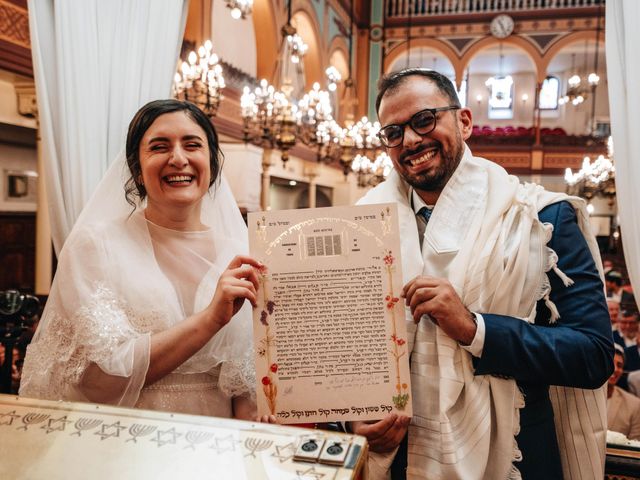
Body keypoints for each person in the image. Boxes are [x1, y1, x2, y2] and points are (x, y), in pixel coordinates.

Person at [355, 68, 613, 479]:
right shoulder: (361, 227)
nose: (410, 140)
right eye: (393, 132)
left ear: (464, 121)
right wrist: (357, 421)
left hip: (513, 455)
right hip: (402, 461)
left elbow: (593, 355)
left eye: (424, 120)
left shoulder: (539, 218)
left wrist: (477, 330)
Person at [20, 100, 260, 419]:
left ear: (212, 163)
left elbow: (246, 382)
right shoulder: (95, 246)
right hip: (126, 444)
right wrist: (210, 319)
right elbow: (100, 380)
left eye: (192, 145)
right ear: (137, 168)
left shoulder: (243, 251)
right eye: (159, 147)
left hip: (218, 451)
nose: (178, 158)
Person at [608, 345, 640, 440]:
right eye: (611, 363)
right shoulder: (582, 397)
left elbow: (635, 445)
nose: (615, 369)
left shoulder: (634, 405)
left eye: (619, 365)